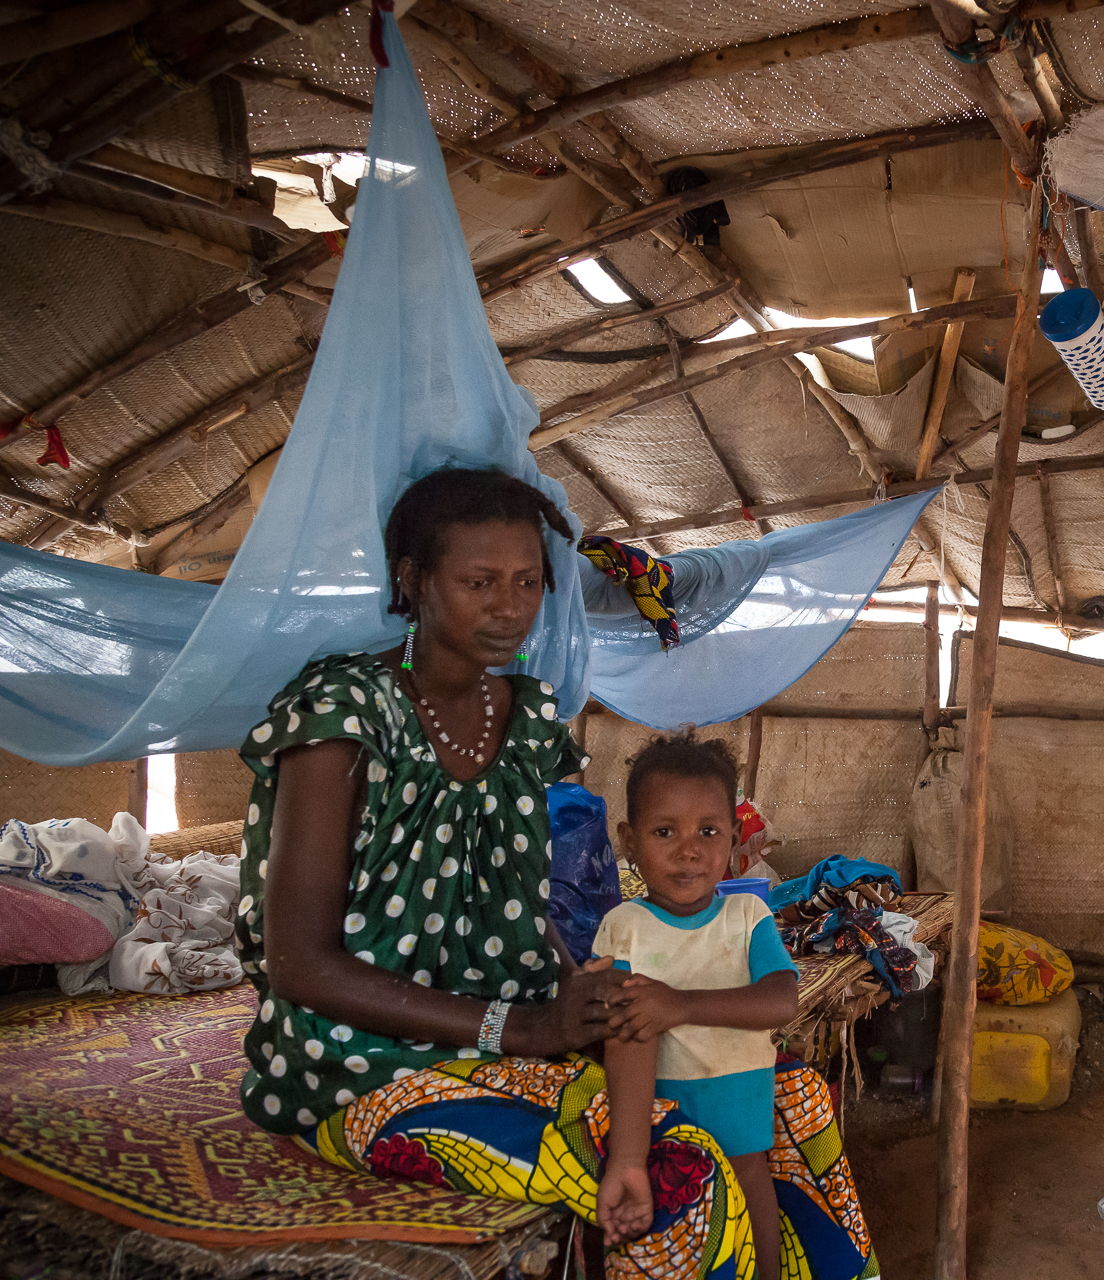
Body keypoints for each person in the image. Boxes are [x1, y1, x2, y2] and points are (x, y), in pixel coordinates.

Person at [233, 467, 877, 1279]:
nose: (510, 607)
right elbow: (297, 964)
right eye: (479, 582)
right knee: (677, 1166)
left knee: (793, 1105)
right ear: (412, 580)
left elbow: (507, 897)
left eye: (528, 582)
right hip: (362, 1061)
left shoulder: (530, 718)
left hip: (513, 1031)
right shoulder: (343, 716)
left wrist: (589, 991)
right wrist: (523, 1029)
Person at [593, 736, 796, 1277]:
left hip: (736, 1090)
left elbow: (781, 999)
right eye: (665, 832)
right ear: (629, 842)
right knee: (672, 1205)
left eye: (708, 831)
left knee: (750, 1185)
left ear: (733, 839)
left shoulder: (748, 916)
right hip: (652, 1105)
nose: (689, 850)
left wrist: (680, 1005)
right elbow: (619, 1026)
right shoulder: (622, 927)